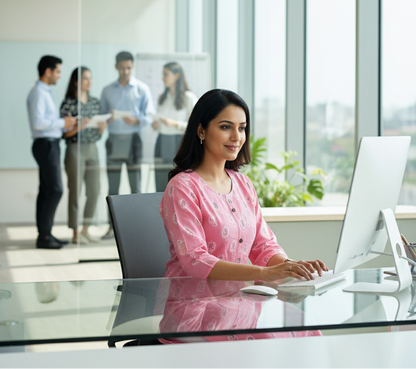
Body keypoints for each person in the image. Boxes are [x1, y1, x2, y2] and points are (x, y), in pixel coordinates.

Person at [161, 89, 328, 283]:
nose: (237, 137)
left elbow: (263, 245)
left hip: (238, 303)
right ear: (201, 130)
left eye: (242, 128)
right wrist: (263, 274)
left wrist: (290, 267)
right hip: (191, 305)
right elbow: (195, 259)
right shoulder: (182, 187)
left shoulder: (243, 184)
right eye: (226, 127)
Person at [100, 51, 155, 239]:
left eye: (129, 68)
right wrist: (107, 119)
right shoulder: (107, 90)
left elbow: (149, 116)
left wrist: (137, 120)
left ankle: (135, 229)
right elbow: (101, 117)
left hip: (133, 140)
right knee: (112, 187)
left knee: (135, 187)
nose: (126, 71)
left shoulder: (142, 89)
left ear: (132, 67)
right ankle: (111, 228)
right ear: (116, 67)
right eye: (122, 67)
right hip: (113, 139)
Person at [27, 55, 77, 249]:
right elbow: (38, 123)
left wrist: (65, 125)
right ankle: (45, 236)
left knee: (46, 190)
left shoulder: (45, 92)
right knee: (55, 189)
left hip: (49, 143)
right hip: (45, 144)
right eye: (57, 72)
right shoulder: (39, 93)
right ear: (48, 71)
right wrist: (62, 123)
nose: (59, 76)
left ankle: (45, 235)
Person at [60, 66, 107, 245]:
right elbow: (64, 133)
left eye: (90, 78)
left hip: (92, 148)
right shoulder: (69, 103)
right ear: (76, 81)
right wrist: (79, 126)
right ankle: (75, 232)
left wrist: (101, 129)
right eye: (86, 78)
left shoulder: (95, 102)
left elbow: (96, 133)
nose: (90, 82)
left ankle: (86, 229)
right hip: (75, 149)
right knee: (75, 191)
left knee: (94, 190)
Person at [151, 62, 197, 191]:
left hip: (179, 141)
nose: (163, 78)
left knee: (178, 182)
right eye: (163, 74)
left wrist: (175, 123)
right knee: (160, 181)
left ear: (177, 76)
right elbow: (159, 121)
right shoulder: (162, 97)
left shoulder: (188, 97)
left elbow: (195, 126)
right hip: (162, 140)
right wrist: (156, 124)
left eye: (166, 74)